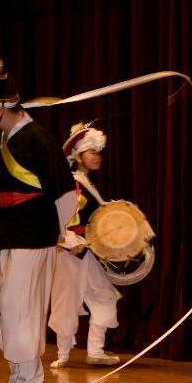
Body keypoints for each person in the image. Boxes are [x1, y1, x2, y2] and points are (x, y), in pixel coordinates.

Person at [0, 61, 76, 383]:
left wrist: (57, 231)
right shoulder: (7, 138)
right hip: (8, 237)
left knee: (21, 307)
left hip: (32, 237)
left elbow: (65, 193)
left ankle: (32, 382)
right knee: (0, 305)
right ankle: (17, 376)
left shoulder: (38, 138)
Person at [48, 122, 121, 368]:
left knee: (103, 295)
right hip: (70, 251)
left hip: (87, 250)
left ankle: (96, 351)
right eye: (92, 152)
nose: (97, 157)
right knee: (66, 300)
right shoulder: (71, 183)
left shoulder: (86, 183)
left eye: (98, 152)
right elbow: (58, 217)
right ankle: (63, 354)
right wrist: (68, 243)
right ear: (78, 157)